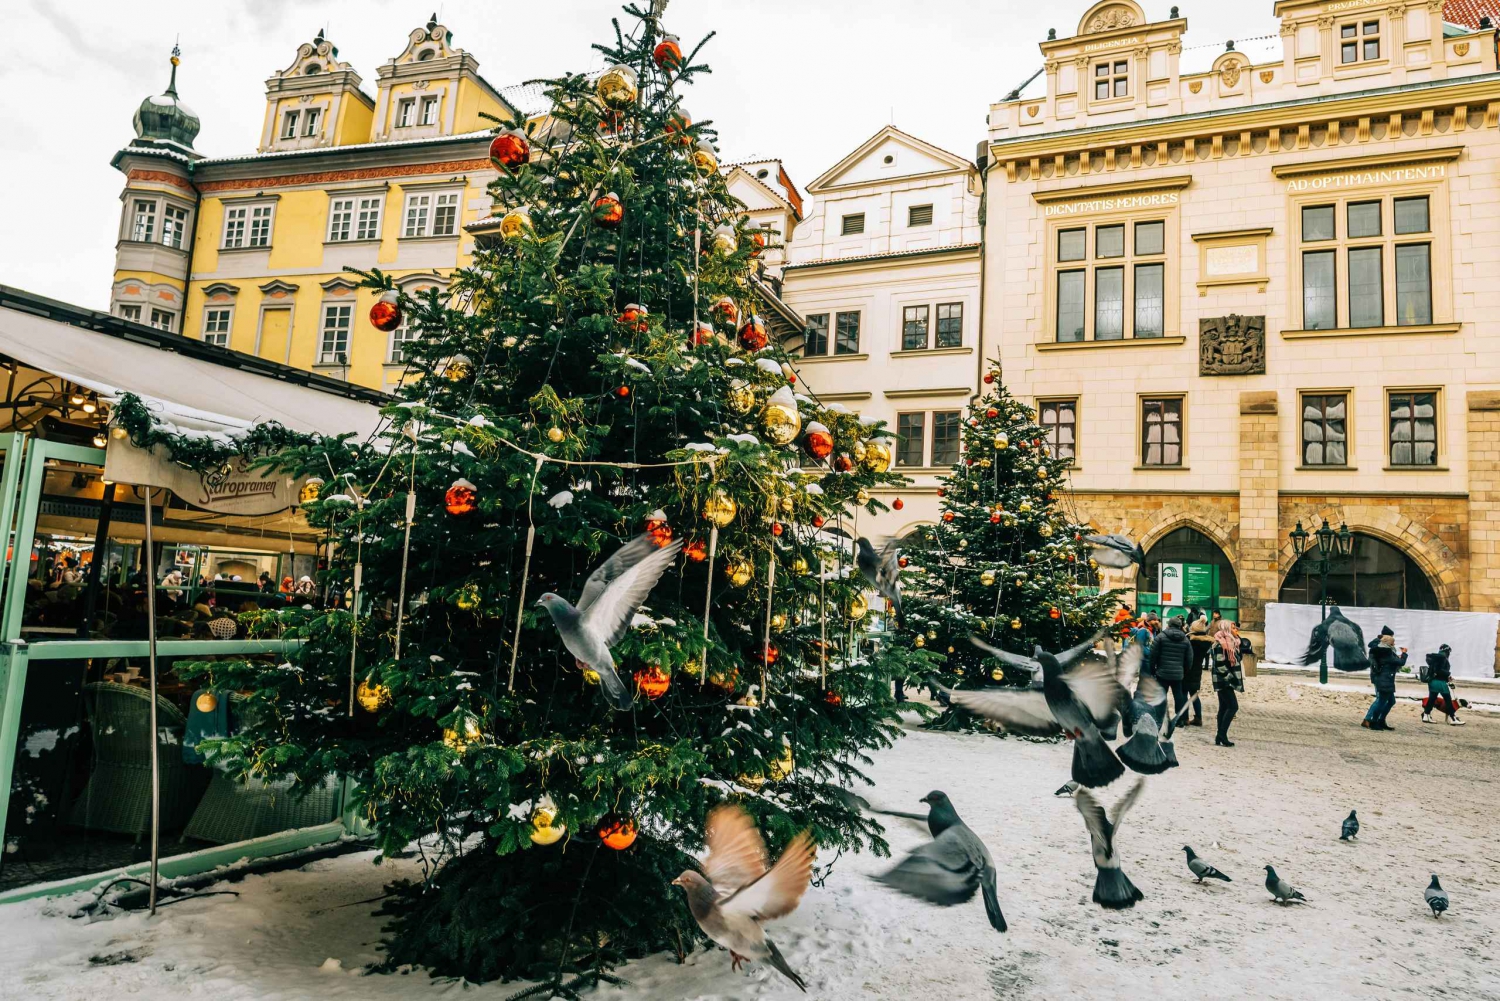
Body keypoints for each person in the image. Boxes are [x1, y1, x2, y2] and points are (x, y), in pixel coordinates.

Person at [1149, 614, 1194, 723]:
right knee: (1179, 697)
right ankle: (1179, 720)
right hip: (1178, 674)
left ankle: (1159, 717)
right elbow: (1189, 658)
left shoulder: (1161, 637)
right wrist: (1185, 670)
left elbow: (1153, 655)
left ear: (1168, 625)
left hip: (1162, 672)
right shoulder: (1185, 639)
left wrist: (1153, 670)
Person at [1362, 626, 1407, 731]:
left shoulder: (1382, 649)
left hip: (1384, 678)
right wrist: (1404, 654)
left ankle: (1379, 720)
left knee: (1389, 701)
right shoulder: (1383, 650)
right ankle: (1370, 720)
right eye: (1392, 639)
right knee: (1380, 700)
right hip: (1382, 678)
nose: (1394, 643)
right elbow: (1397, 662)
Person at [1209, 618, 1244, 746]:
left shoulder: (1233, 643)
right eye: (1234, 628)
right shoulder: (1221, 644)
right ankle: (1222, 735)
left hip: (1225, 680)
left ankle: (1220, 736)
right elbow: (1219, 665)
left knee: (1224, 707)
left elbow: (1238, 659)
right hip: (1223, 680)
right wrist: (1231, 678)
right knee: (1233, 706)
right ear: (1227, 629)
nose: (1236, 630)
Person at [1422, 644, 1465, 726]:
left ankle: (1426, 715)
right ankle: (1453, 718)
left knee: (1432, 699)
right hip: (1440, 682)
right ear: (1447, 651)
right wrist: (1448, 674)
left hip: (1432, 681)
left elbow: (1435, 670)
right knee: (1448, 700)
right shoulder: (1442, 658)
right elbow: (1439, 670)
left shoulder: (1435, 658)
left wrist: (1447, 677)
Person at [1186, 613, 1212, 727]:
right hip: (1197, 671)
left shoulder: (1190, 641)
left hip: (1187, 670)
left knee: (1183, 694)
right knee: (1194, 694)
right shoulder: (1206, 642)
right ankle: (1198, 717)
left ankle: (1184, 717)